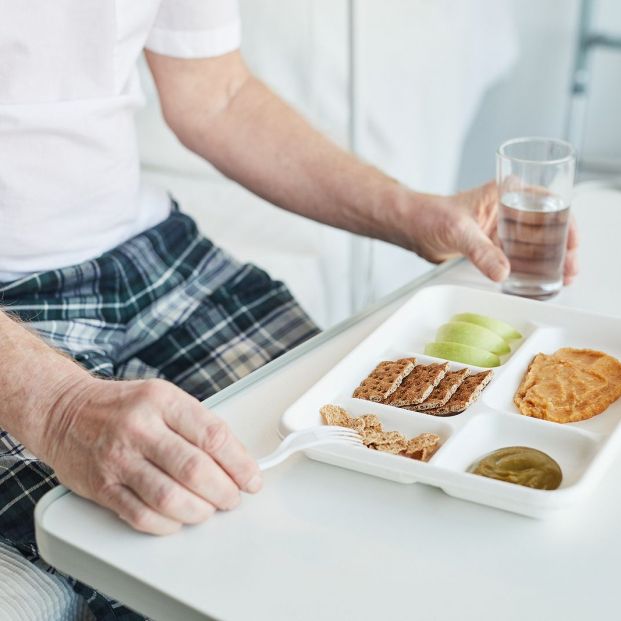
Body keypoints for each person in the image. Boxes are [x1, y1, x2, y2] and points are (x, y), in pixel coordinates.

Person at [0, 1, 578, 619]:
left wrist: (416, 214)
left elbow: (216, 94)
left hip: (156, 253)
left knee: (370, 481)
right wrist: (59, 409)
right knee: (159, 577)